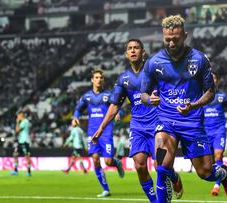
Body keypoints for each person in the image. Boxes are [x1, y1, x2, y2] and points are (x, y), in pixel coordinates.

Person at [140, 15, 227, 202]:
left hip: (192, 122)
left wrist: (193, 105)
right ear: (163, 36)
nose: (171, 42)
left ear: (185, 35)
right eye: (168, 39)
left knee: (206, 172)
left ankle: (223, 174)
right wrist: (149, 99)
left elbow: (210, 92)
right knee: (161, 166)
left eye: (176, 39)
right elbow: (143, 94)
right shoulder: (153, 62)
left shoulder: (199, 59)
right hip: (165, 121)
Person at [92, 39, 183, 203]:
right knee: (140, 165)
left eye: (136, 48)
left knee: (160, 168)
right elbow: (114, 106)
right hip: (138, 126)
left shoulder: (155, 71)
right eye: (130, 48)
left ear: (143, 52)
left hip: (158, 124)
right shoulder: (123, 79)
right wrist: (101, 128)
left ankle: (174, 177)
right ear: (127, 54)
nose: (133, 50)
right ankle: (155, 201)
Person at [72, 69, 125, 198]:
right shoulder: (87, 96)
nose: (99, 79)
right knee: (95, 160)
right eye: (96, 77)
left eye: (101, 77)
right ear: (92, 80)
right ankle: (106, 189)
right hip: (92, 132)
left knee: (107, 161)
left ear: (103, 80)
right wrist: (75, 117)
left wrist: (119, 113)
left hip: (106, 131)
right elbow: (79, 109)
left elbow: (119, 108)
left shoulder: (109, 95)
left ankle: (116, 163)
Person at [203, 71, 227, 196]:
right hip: (205, 132)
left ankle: (216, 186)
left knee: (218, 155)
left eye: (214, 78)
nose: (212, 80)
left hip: (218, 130)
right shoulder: (201, 96)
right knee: (209, 162)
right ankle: (223, 175)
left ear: (217, 81)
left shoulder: (223, 96)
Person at [10, 111, 32, 176]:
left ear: (21, 115)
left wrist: (17, 122)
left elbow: (17, 130)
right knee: (15, 154)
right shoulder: (26, 121)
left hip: (25, 141)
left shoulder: (24, 122)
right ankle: (15, 170)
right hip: (21, 141)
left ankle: (29, 172)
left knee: (27, 156)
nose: (17, 117)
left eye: (18, 116)